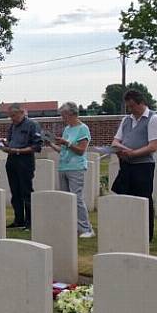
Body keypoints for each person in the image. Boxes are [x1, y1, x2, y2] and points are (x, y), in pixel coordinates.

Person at [110, 89, 157, 240]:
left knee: (143, 199)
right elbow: (116, 140)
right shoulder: (126, 120)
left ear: (141, 103)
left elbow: (153, 146)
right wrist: (118, 148)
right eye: (128, 106)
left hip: (143, 166)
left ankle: (146, 234)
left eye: (132, 106)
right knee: (125, 196)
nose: (130, 109)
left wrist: (132, 153)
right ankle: (129, 230)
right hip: (126, 164)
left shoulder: (153, 118)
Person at [46, 102, 94, 238]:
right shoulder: (67, 129)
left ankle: (86, 228)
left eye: (64, 115)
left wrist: (66, 143)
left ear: (72, 114)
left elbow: (81, 150)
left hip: (76, 167)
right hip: (63, 166)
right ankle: (71, 226)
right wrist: (51, 144)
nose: (62, 118)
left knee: (77, 198)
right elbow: (63, 150)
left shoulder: (83, 129)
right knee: (66, 199)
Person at [0, 103, 42, 230]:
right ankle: (19, 220)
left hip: (25, 160)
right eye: (10, 116)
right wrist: (4, 143)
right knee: (15, 192)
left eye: (14, 115)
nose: (12, 118)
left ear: (22, 113)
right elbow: (11, 141)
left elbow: (37, 146)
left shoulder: (32, 125)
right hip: (11, 160)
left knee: (26, 192)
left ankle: (30, 221)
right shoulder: (12, 126)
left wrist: (17, 151)